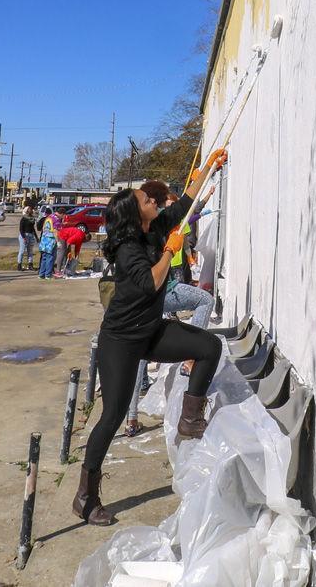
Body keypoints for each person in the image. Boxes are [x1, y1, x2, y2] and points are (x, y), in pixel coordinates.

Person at [72, 149, 226, 526]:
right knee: (112, 416)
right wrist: (170, 252)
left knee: (209, 346)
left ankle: (191, 418)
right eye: (146, 199)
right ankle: (85, 496)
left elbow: (185, 202)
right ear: (133, 212)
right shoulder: (127, 250)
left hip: (152, 331)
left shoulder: (155, 227)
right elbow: (152, 283)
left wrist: (209, 166)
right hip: (121, 341)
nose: (153, 200)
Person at [124, 181, 215, 437]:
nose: (170, 209)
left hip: (162, 288)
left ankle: (131, 419)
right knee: (204, 300)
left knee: (140, 358)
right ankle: (190, 357)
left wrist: (206, 178)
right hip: (159, 290)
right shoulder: (149, 230)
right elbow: (149, 280)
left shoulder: (157, 222)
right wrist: (169, 250)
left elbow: (191, 207)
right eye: (165, 204)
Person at [38, 210, 58, 279]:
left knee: (44, 258)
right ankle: (48, 275)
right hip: (50, 241)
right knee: (50, 258)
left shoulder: (48, 218)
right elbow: (55, 231)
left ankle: (41, 274)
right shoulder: (56, 219)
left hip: (44, 240)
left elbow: (43, 228)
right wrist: (58, 241)